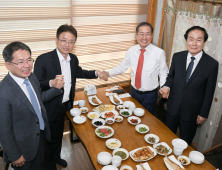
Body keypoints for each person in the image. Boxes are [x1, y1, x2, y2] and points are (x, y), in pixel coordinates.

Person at [34, 24, 106, 169]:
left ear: (74, 43)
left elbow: (78, 72)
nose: (67, 44)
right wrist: (51, 83)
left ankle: (57, 158)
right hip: (48, 108)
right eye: (64, 40)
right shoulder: (44, 59)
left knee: (58, 136)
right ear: (56, 40)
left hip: (64, 105)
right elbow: (36, 85)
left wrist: (96, 73)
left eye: (71, 41)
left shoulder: (73, 59)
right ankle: (49, 165)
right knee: (48, 140)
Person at [0, 41, 63, 170]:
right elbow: (4, 130)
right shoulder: (3, 92)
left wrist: (56, 89)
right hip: (23, 149)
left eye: (29, 60)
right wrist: (15, 155)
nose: (27, 65)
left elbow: (38, 100)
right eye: (20, 62)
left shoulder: (32, 77)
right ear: (8, 64)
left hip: (41, 136)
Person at [160, 26, 219, 145]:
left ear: (204, 42)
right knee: (167, 136)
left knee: (185, 141)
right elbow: (171, 76)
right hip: (173, 105)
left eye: (199, 40)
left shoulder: (211, 64)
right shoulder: (177, 56)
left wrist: (203, 113)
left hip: (192, 110)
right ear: (186, 40)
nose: (194, 43)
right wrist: (167, 86)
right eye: (191, 39)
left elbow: (209, 91)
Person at [103, 22, 169, 115]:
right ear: (136, 36)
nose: (144, 37)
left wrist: (164, 87)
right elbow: (122, 67)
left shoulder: (159, 53)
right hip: (133, 92)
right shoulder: (131, 50)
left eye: (147, 34)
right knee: (132, 117)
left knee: (148, 120)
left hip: (149, 95)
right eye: (141, 34)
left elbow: (163, 72)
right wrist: (108, 73)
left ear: (152, 35)